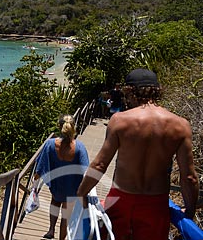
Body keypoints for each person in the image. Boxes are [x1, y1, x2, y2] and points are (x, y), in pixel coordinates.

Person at [77, 68, 199, 240]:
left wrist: (81, 193)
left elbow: (99, 165)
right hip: (156, 205)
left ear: (130, 91)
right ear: (157, 91)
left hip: (120, 200)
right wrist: (190, 210)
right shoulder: (180, 125)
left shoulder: (120, 120)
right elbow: (189, 178)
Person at [33, 115, 89, 239]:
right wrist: (85, 193)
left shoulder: (50, 144)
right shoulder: (79, 147)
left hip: (56, 184)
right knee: (66, 212)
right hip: (72, 186)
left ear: (59, 126)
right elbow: (86, 171)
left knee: (55, 202)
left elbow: (40, 167)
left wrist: (35, 186)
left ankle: (51, 230)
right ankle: (61, 238)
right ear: (74, 127)